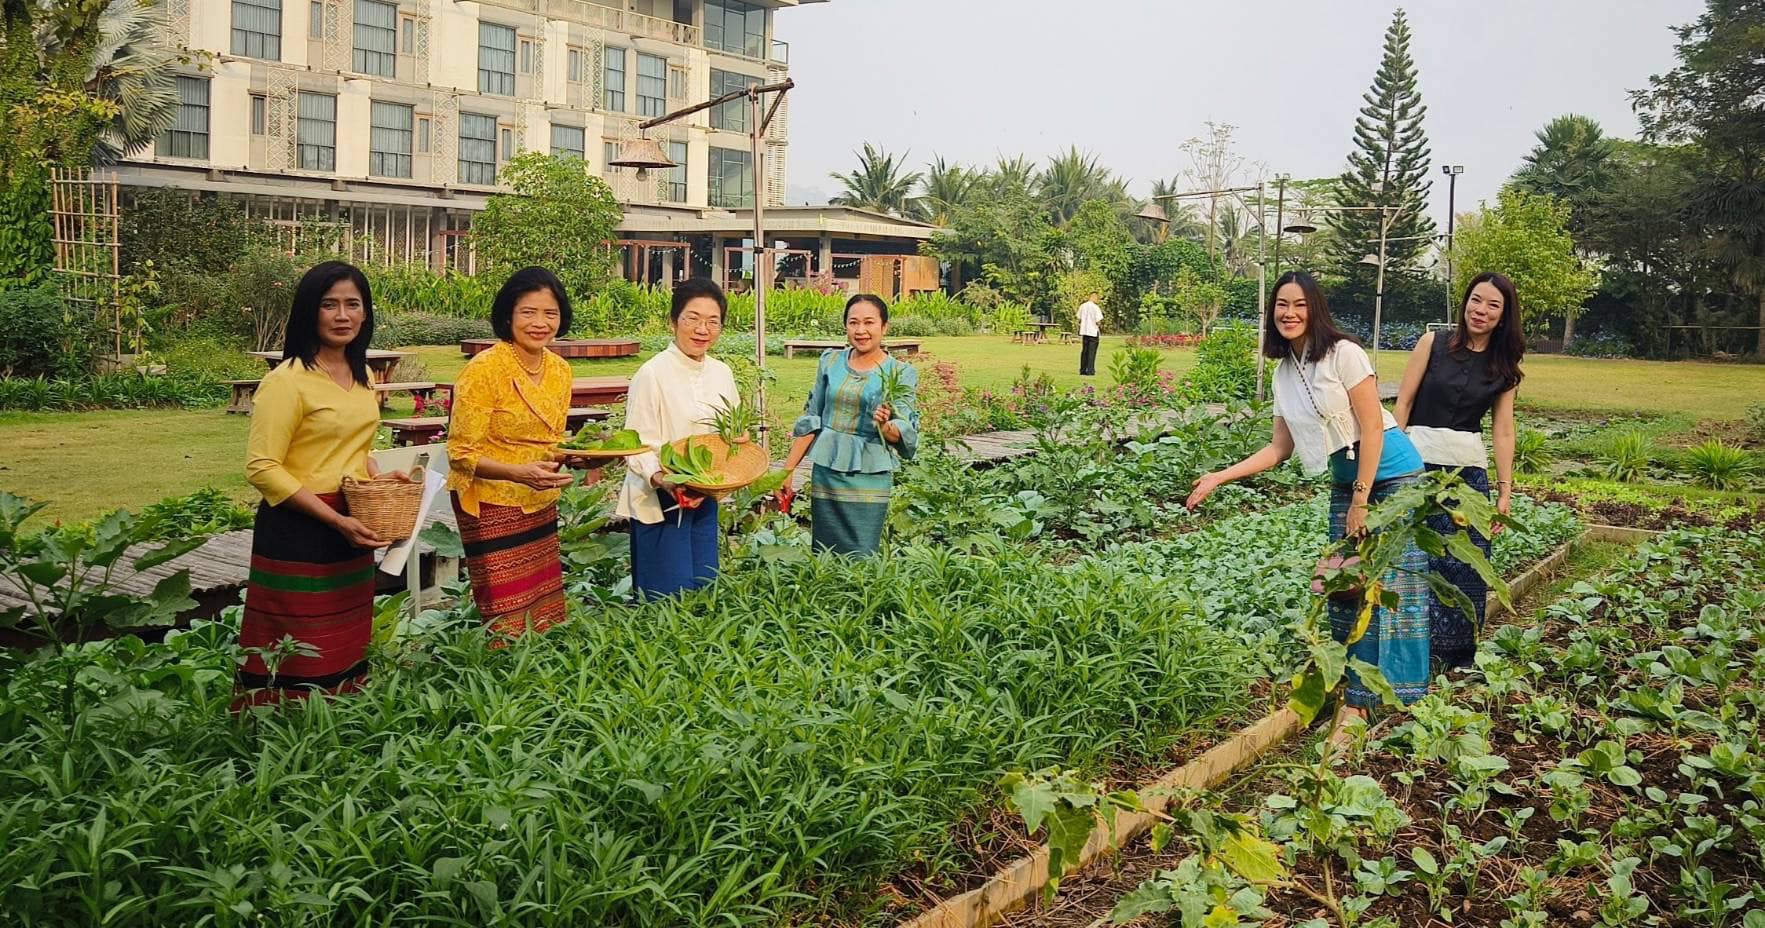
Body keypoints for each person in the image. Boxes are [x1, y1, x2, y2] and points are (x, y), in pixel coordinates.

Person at [1185, 271, 1429, 733]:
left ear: (1314, 309)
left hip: (1393, 478)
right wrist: (1220, 476)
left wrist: (1361, 498)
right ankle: (1349, 691)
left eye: (1299, 304)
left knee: (1381, 587)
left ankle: (1359, 709)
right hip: (1347, 484)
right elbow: (1280, 448)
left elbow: (1372, 427)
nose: (1289, 313)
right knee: (1343, 588)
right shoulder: (1283, 371)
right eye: (1281, 305)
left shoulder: (1345, 354)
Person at [238, 261, 388, 706]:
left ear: (365, 314)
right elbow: (262, 466)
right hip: (300, 525)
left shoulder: (362, 377)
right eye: (329, 304)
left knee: (343, 634)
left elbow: (353, 450)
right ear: (310, 311)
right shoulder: (287, 381)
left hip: (351, 524)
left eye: (352, 304)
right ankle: (275, 728)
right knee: (294, 641)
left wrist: (379, 478)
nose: (342, 315)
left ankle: (337, 724)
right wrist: (334, 520)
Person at [1394, 272, 1524, 670]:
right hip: (1415, 465)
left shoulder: (1504, 366)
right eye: (1476, 300)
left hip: (1466, 475)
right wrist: (1388, 465)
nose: (1480, 310)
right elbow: (1402, 405)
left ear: (1503, 316)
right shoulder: (1432, 343)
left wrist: (1504, 492)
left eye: (1492, 305)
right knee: (1412, 557)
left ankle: (1452, 658)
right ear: (1465, 301)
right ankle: (1405, 653)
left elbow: (1503, 429)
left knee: (1464, 562)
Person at [447, 267, 579, 642]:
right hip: (491, 501)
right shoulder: (485, 369)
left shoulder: (560, 370)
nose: (540, 323)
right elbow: (459, 453)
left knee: (543, 605)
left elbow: (550, 442)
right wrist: (517, 473)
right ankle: (501, 684)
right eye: (528, 312)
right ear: (508, 315)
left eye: (550, 314)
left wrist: (577, 456)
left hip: (539, 496)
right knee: (505, 611)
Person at [618, 278, 739, 599]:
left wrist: (736, 444)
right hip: (661, 498)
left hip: (704, 495)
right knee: (667, 596)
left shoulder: (721, 373)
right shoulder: (653, 373)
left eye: (713, 321)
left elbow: (729, 432)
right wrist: (663, 479)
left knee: (703, 590)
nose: (703, 329)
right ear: (674, 321)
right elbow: (636, 442)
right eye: (693, 318)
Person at [781, 293, 921, 556]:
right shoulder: (830, 362)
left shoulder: (900, 373)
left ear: (884, 327)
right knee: (824, 549)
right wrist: (787, 470)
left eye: (869, 323)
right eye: (853, 323)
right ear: (845, 326)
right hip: (827, 471)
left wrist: (884, 425)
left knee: (862, 550)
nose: (861, 330)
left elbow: (903, 432)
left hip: (869, 474)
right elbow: (813, 417)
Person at [1077, 291, 1103, 375]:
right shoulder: (1095, 307)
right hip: (1093, 331)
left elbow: (1079, 318)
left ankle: (1083, 369)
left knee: (1084, 351)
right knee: (1092, 351)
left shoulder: (1082, 306)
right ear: (1094, 297)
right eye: (1097, 298)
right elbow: (1098, 321)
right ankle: (1090, 370)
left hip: (1084, 331)